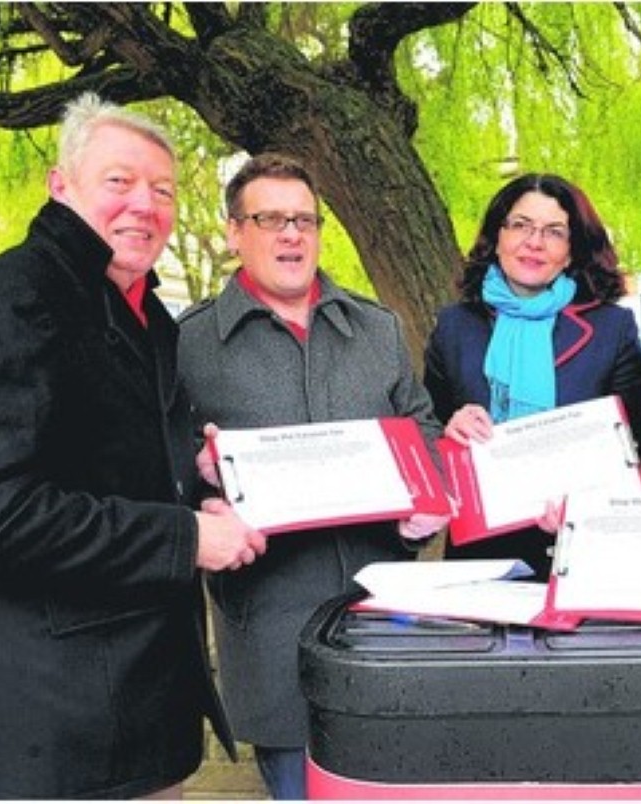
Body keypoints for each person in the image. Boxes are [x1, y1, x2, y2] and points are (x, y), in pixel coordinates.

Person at [0, 93, 266, 800]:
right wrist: (185, 537)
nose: (144, 204)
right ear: (61, 185)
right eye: (119, 181)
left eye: (163, 190)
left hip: (138, 710)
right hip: (60, 727)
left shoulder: (144, 312)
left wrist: (196, 473)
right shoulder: (11, 299)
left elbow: (107, 457)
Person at [177, 152, 449, 800]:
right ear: (235, 231)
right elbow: (152, 471)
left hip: (381, 620)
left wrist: (428, 492)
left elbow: (423, 429)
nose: (291, 234)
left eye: (304, 219)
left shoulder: (376, 329)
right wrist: (199, 478)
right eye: (270, 219)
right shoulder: (188, 343)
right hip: (270, 635)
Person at [424, 173, 641, 579]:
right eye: (521, 225)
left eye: (554, 232)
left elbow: (637, 446)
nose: (534, 242)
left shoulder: (612, 329)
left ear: (571, 250)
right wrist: (449, 429)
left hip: (581, 554)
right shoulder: (454, 327)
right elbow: (429, 429)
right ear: (497, 237)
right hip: (479, 558)